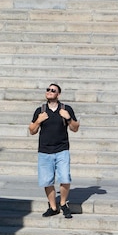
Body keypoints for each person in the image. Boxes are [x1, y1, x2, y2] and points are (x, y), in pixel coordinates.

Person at [28, 83, 80, 218]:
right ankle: (53, 206)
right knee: (47, 181)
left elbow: (75, 128)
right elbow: (32, 131)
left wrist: (68, 118)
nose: (49, 92)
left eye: (53, 90)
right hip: (45, 151)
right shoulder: (40, 110)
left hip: (62, 149)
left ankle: (63, 203)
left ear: (58, 94)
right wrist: (38, 121)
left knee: (65, 178)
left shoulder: (66, 109)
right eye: (48, 90)